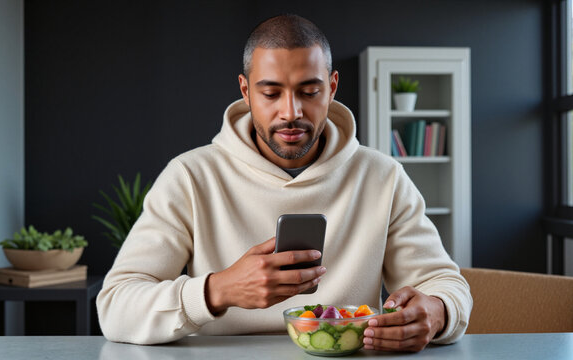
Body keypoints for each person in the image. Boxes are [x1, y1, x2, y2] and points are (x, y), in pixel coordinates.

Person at [96, 14, 472, 352]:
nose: (290, 112)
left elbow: (444, 283)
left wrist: (437, 312)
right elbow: (114, 306)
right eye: (271, 93)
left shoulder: (382, 177)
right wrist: (217, 291)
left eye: (309, 92)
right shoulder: (190, 176)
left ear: (332, 87)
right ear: (245, 91)